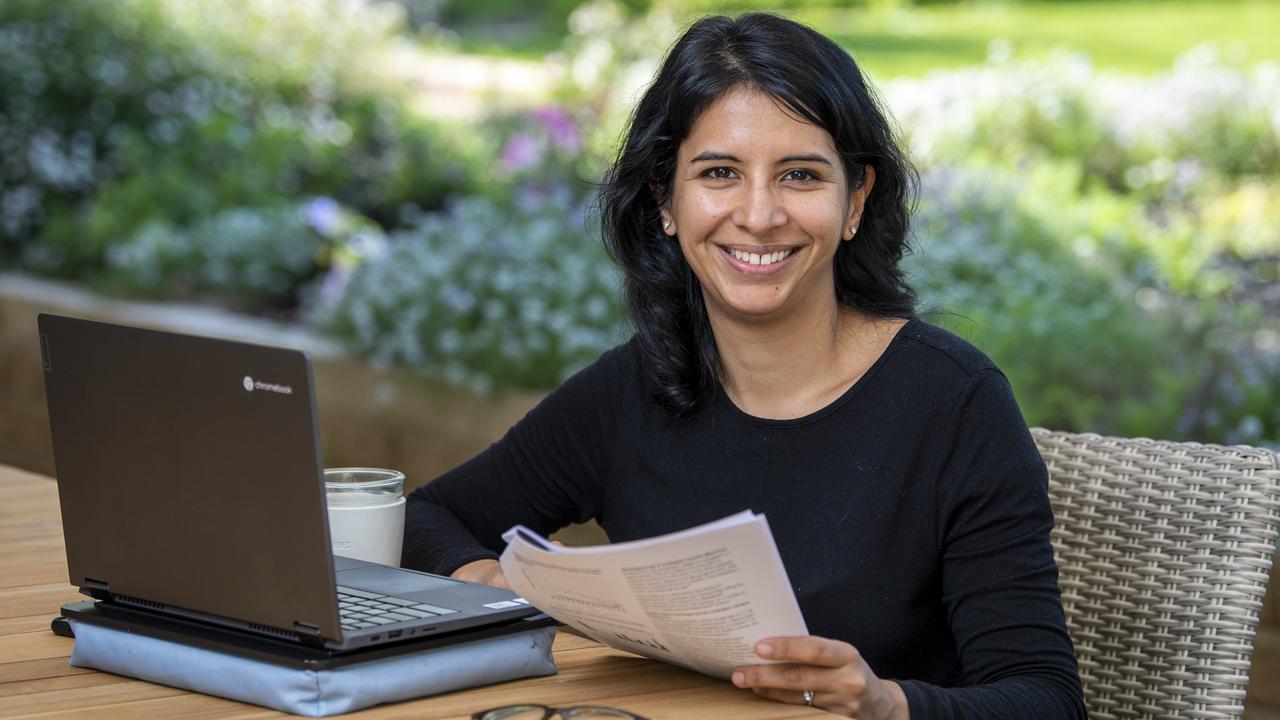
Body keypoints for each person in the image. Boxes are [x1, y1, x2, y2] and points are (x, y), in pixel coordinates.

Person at [402, 12, 1086, 720]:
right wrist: (490, 580)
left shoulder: (954, 404)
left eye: (800, 175)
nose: (759, 216)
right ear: (666, 199)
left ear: (855, 200)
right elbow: (426, 516)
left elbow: (1047, 699)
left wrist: (888, 704)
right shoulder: (635, 387)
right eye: (720, 173)